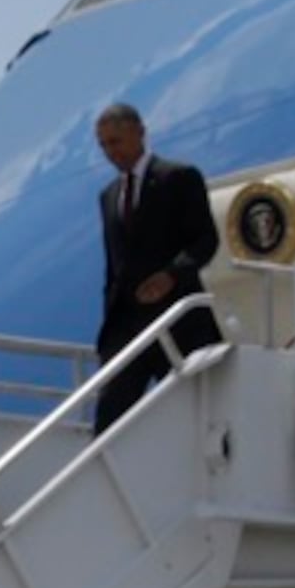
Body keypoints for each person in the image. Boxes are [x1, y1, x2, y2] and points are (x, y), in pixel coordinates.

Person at [91, 102, 222, 431]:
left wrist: (172, 275)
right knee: (110, 416)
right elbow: (113, 267)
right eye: (104, 144)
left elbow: (205, 240)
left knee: (189, 414)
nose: (111, 152)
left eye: (116, 141)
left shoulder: (178, 178)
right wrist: (108, 331)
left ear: (140, 133)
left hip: (176, 319)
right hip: (127, 326)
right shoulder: (108, 197)